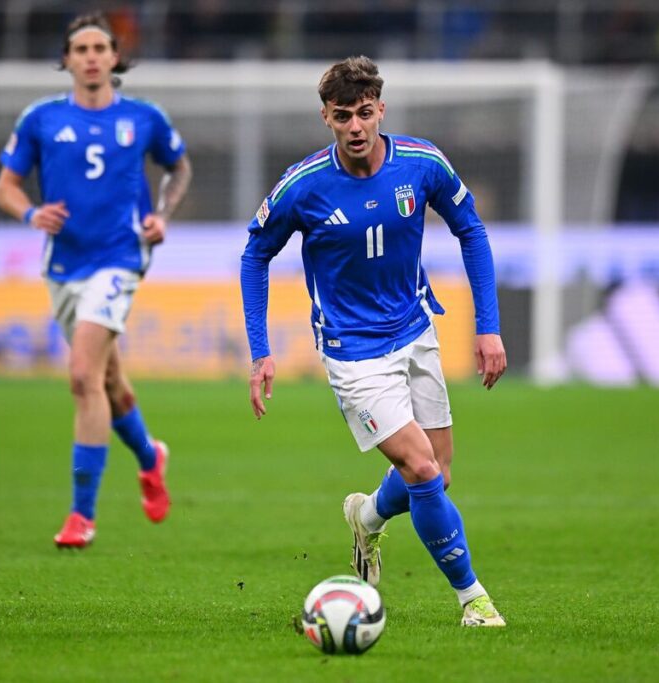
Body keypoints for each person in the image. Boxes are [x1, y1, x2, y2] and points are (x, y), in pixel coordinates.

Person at [240, 56, 507, 627]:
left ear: (380, 110)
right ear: (327, 119)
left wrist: (488, 325)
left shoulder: (422, 163)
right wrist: (260, 350)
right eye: (344, 116)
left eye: (365, 113)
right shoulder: (304, 185)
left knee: (439, 471)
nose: (356, 126)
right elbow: (255, 253)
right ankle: (473, 600)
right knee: (423, 471)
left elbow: (472, 230)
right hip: (352, 351)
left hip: (416, 332)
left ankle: (366, 517)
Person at [0, 12, 192, 549]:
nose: (89, 56)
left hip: (121, 258)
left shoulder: (144, 118)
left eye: (99, 47)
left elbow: (180, 169)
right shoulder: (40, 120)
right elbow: (6, 186)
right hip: (63, 265)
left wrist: (163, 215)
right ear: (67, 59)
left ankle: (82, 515)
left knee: (82, 375)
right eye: (79, 48)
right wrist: (30, 214)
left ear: (114, 56)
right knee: (108, 383)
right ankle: (151, 457)